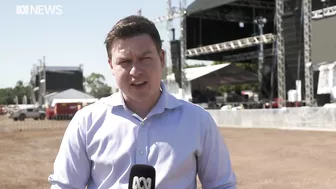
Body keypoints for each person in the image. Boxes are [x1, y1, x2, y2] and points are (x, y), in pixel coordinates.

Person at [48, 15, 237, 189]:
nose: (135, 71)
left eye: (145, 58)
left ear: (161, 59)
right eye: (125, 61)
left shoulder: (198, 121)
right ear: (111, 66)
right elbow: (65, 186)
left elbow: (222, 185)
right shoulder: (86, 122)